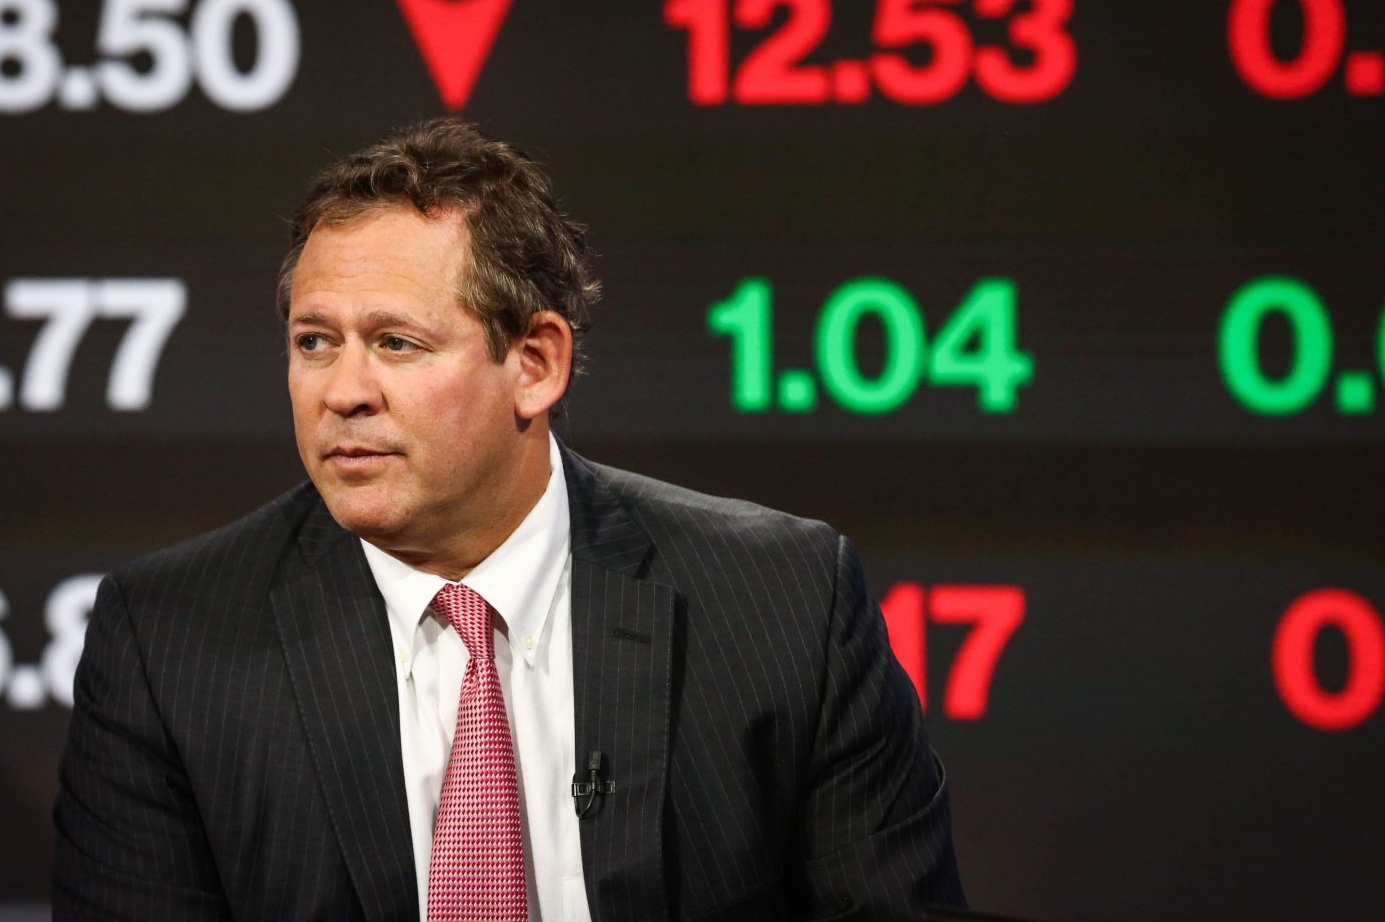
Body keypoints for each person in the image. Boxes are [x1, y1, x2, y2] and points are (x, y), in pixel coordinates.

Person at [53, 118, 965, 921]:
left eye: (396, 344)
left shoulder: (782, 602)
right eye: (314, 342)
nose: (342, 393)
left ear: (534, 363)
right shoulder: (169, 643)